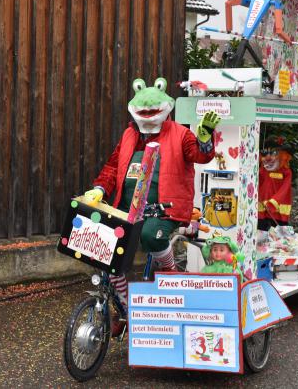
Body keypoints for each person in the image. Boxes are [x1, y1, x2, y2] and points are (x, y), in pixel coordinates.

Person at [83, 77, 219, 315]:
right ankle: (123, 307)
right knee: (106, 252)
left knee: (149, 236)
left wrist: (205, 140)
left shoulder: (181, 134)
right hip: (126, 208)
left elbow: (199, 155)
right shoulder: (128, 135)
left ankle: (170, 272)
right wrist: (100, 188)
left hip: (164, 209)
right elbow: (113, 167)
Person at [257, 136, 294, 231]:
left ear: (283, 155)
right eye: (265, 154)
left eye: (273, 153)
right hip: (262, 209)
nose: (268, 157)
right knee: (262, 233)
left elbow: (284, 190)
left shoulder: (286, 172)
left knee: (278, 237)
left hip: (279, 212)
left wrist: (273, 202)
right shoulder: (262, 170)